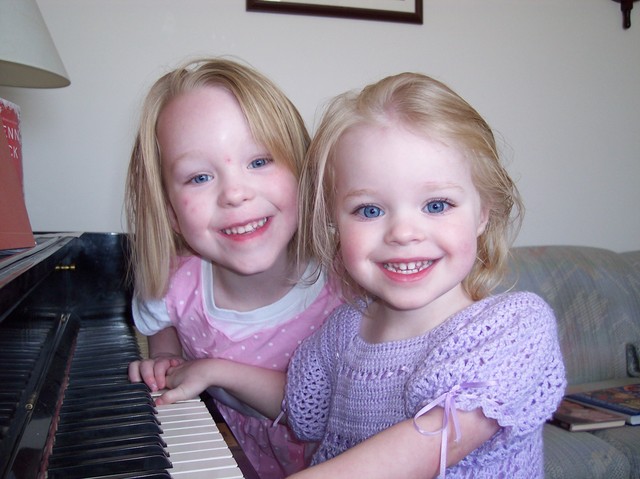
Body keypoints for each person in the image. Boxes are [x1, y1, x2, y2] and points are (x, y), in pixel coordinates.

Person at [284, 72, 566, 478]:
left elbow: (424, 445)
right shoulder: (343, 329)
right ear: (334, 220)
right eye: (369, 210)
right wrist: (217, 372)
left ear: (483, 212)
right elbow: (301, 409)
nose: (403, 233)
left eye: (436, 205)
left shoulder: (515, 330)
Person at [125, 57, 341, 478]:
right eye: (199, 178)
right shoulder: (174, 283)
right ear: (169, 211)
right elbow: (158, 320)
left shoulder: (349, 285)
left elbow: (319, 409)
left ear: (304, 173)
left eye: (259, 161)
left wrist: (215, 370)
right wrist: (166, 356)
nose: (235, 194)